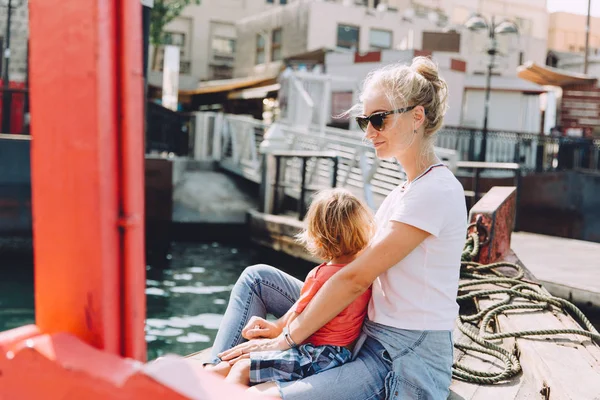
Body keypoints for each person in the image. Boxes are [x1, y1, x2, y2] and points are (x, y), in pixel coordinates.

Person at [209, 56, 468, 399]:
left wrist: (284, 339)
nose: (369, 133)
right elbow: (345, 277)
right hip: (363, 331)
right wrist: (282, 325)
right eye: (365, 121)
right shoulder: (404, 192)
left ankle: (216, 380)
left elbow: (355, 278)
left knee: (264, 396)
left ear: (416, 116)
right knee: (257, 279)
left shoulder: (435, 191)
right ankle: (211, 377)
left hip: (400, 356)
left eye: (379, 119)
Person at [206, 188, 374, 387]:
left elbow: (298, 317)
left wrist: (273, 332)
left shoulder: (321, 276)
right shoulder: (363, 269)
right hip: (338, 354)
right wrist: (276, 328)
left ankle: (209, 386)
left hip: (317, 356)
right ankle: (207, 377)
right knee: (241, 363)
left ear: (318, 236)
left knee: (242, 366)